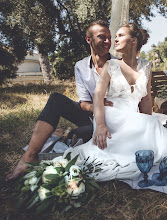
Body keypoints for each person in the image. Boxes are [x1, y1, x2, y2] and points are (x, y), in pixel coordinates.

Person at [64, 23, 167, 181]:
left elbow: (146, 98)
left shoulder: (145, 65)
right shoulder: (110, 65)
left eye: (120, 35)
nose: (115, 40)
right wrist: (100, 126)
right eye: (116, 36)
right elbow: (98, 96)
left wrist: (146, 121)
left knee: (152, 123)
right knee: (152, 126)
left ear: (133, 41)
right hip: (112, 115)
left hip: (131, 115)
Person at [6, 20, 114, 181]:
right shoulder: (80, 66)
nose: (107, 41)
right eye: (102, 37)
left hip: (114, 119)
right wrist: (95, 107)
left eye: (109, 37)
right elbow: (83, 102)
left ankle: (63, 134)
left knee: (80, 135)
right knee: (56, 99)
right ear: (88, 39)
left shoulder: (119, 64)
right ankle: (29, 157)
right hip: (91, 115)